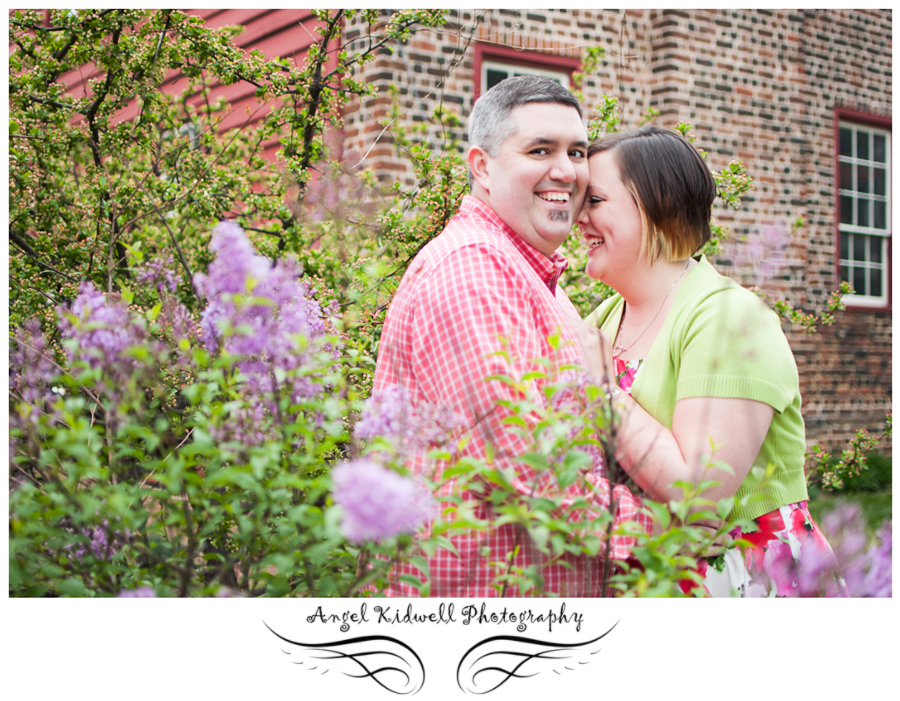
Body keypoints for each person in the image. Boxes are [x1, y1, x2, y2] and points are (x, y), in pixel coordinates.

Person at [372, 76, 653, 597]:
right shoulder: (471, 272)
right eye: (540, 150)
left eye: (577, 151)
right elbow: (526, 466)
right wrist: (667, 533)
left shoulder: (532, 275)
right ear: (482, 166)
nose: (566, 171)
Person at [574, 125, 843, 596]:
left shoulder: (728, 317)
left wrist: (598, 383)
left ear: (656, 204)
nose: (578, 216)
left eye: (594, 200)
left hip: (742, 579)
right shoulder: (603, 318)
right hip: (649, 577)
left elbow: (696, 493)